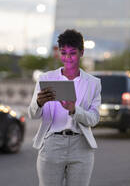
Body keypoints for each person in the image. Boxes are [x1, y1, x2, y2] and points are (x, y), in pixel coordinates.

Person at [28, 29, 101, 186]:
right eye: (63, 53)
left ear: (82, 52)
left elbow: (94, 119)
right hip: (52, 144)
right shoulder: (46, 78)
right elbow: (32, 114)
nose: (67, 58)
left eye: (72, 53)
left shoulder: (93, 83)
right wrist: (39, 103)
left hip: (81, 146)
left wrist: (74, 110)